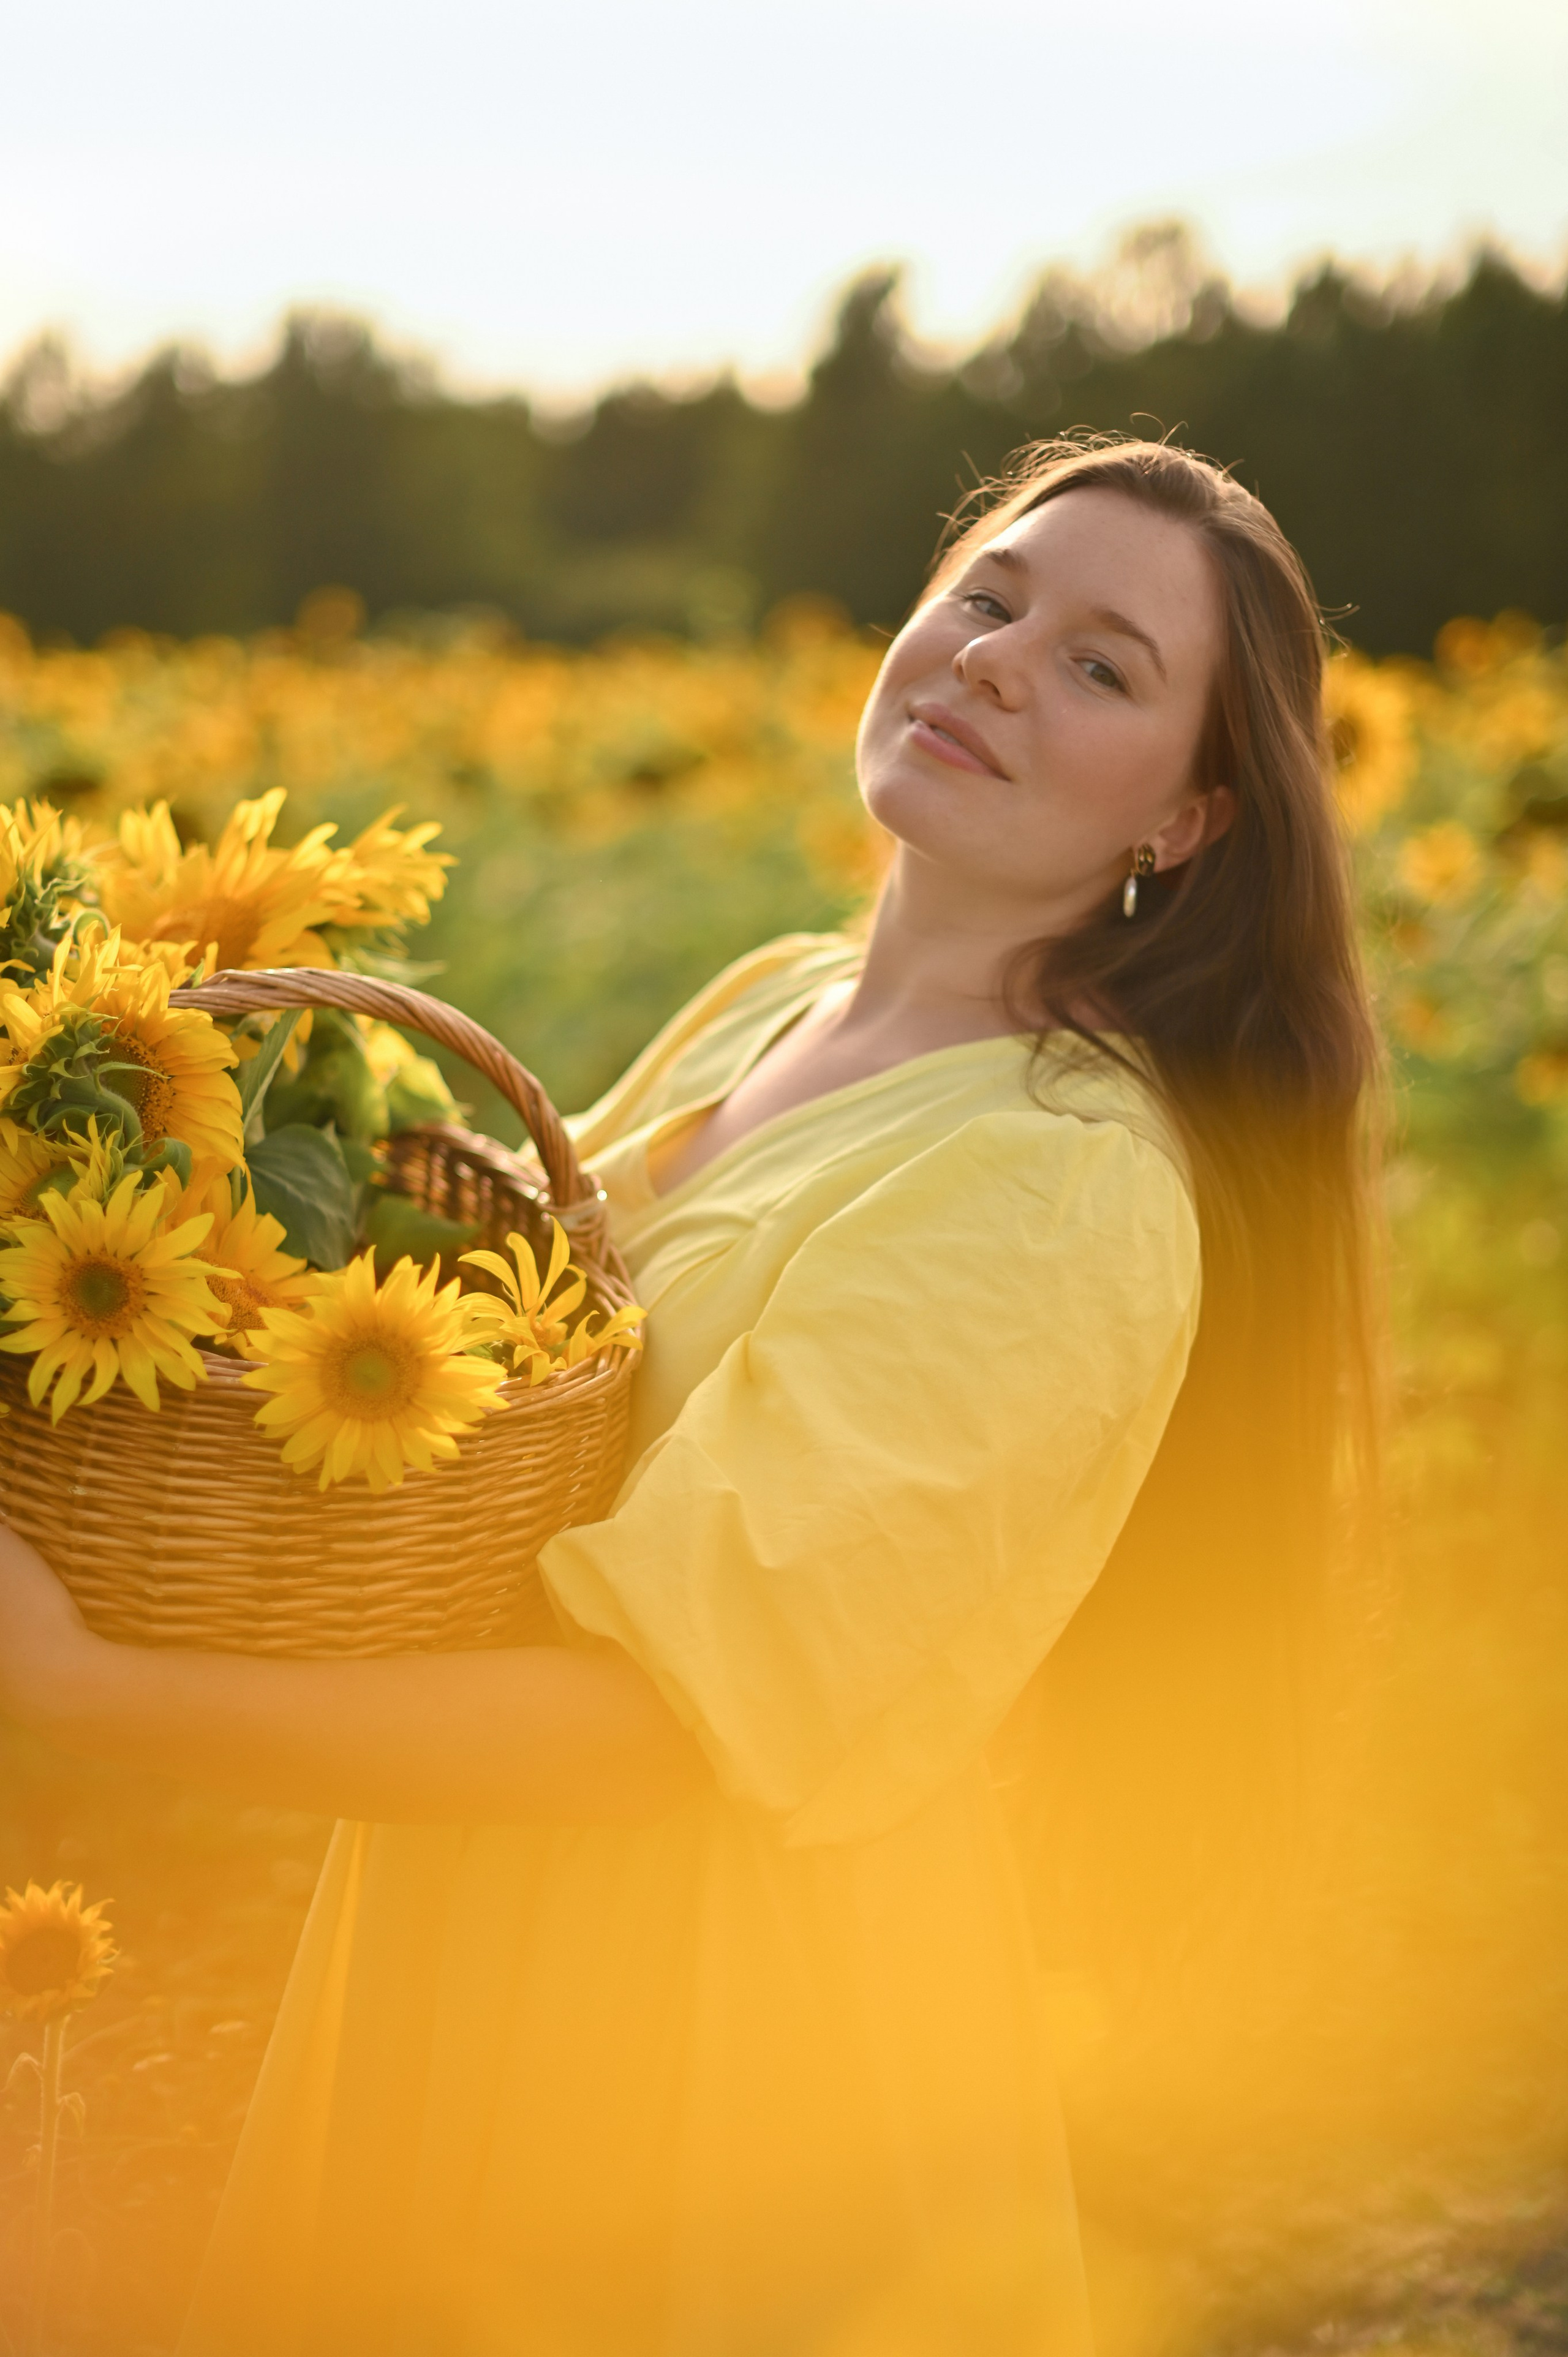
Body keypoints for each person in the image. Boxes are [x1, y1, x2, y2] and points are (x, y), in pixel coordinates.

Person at [0, 437, 1378, 2356]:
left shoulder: (1058, 1179)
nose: (995, 657)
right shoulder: (782, 995)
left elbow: (665, 1726)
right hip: (465, 1933)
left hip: (714, 2055)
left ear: (1194, 821)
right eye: (991, 594)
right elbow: (531, 1393)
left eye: (1101, 666)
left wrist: (86, 1689)